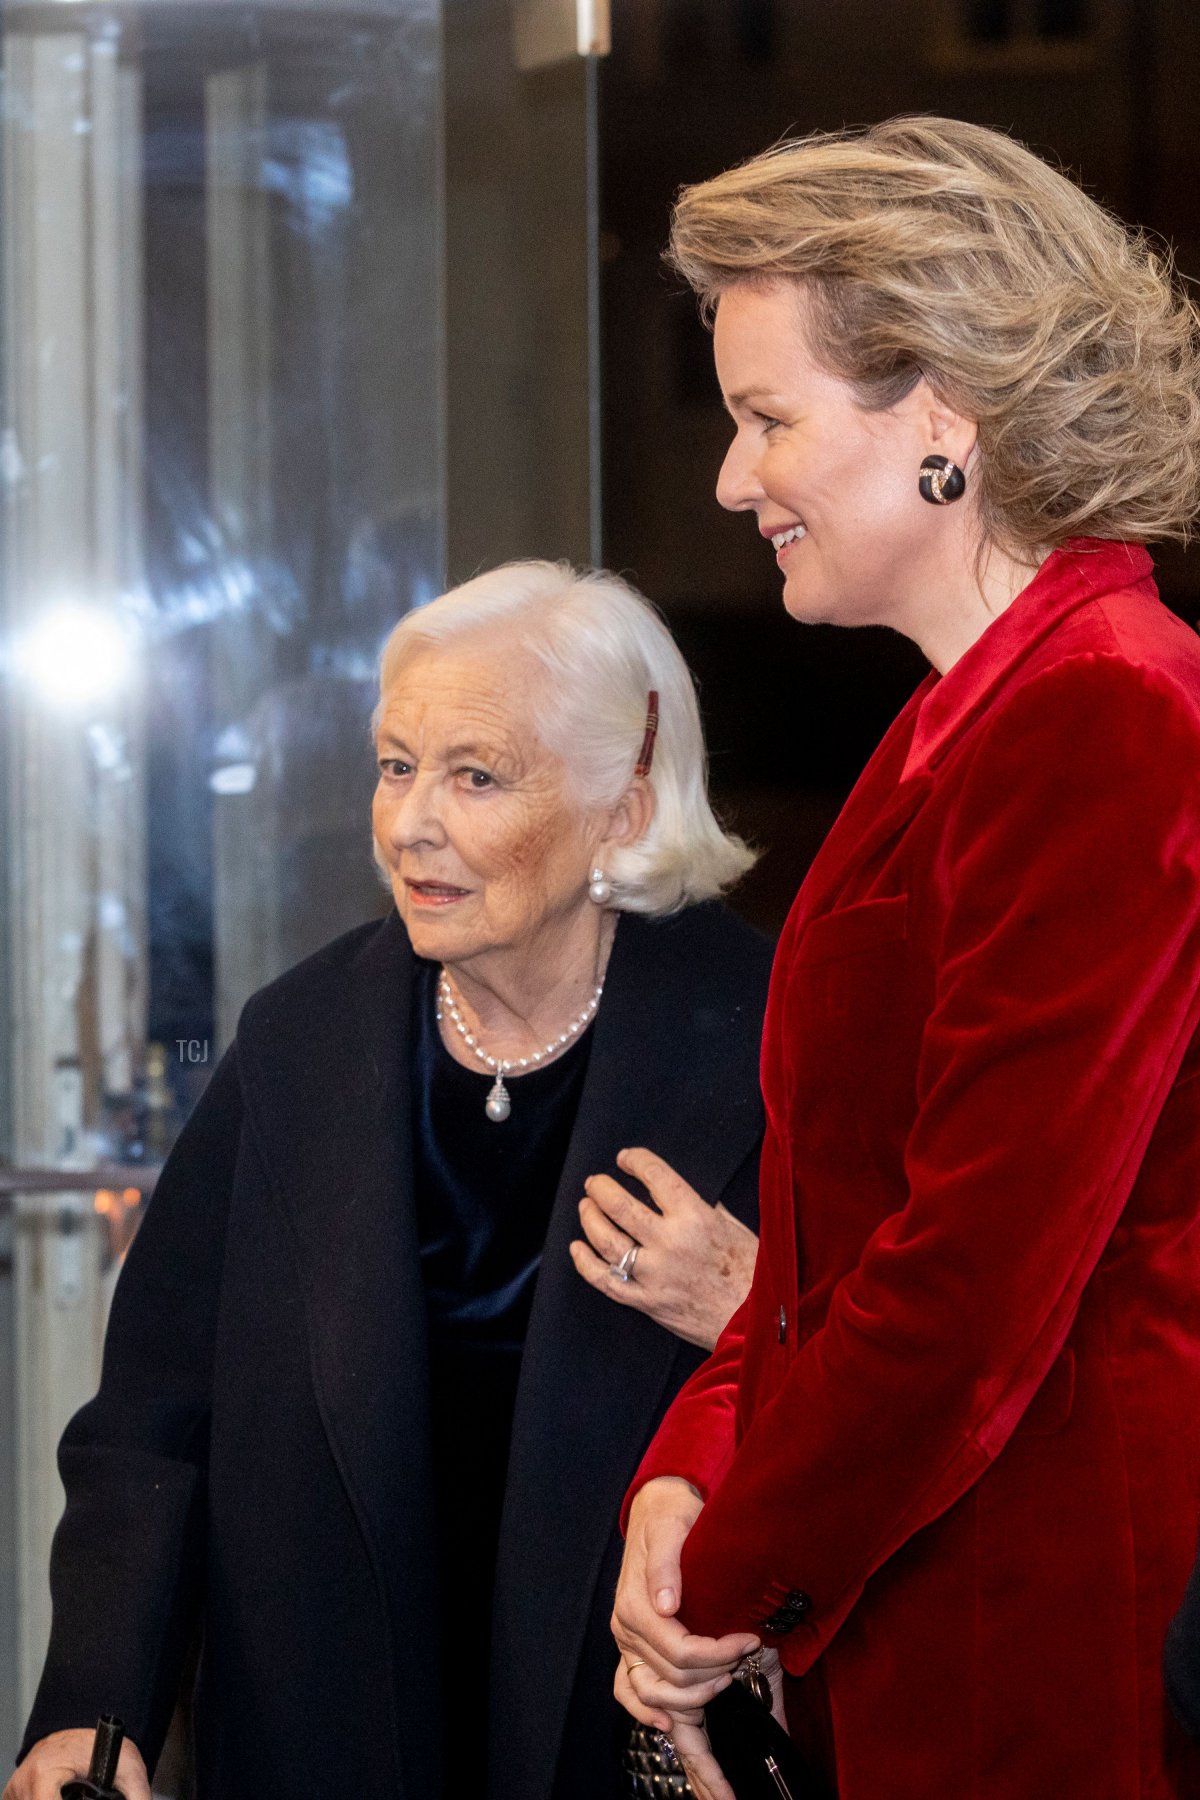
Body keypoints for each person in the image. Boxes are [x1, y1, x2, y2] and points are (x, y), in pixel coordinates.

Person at [609, 116, 1200, 1800]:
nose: (732, 479)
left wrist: (722, 1591)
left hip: (1043, 1641)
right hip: (915, 1606)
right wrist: (692, 1473)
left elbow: (970, 1286)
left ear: (941, 418)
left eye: (768, 417)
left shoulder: (1108, 711)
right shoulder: (965, 714)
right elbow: (827, 1232)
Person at [9, 561, 772, 1800]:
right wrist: (97, 1704)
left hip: (625, 1743)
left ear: (622, 807)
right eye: (394, 764)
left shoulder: (769, 1039)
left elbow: (923, 1379)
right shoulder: (301, 1043)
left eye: (475, 775)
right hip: (321, 1734)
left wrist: (762, 1305)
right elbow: (154, 1415)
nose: (411, 820)